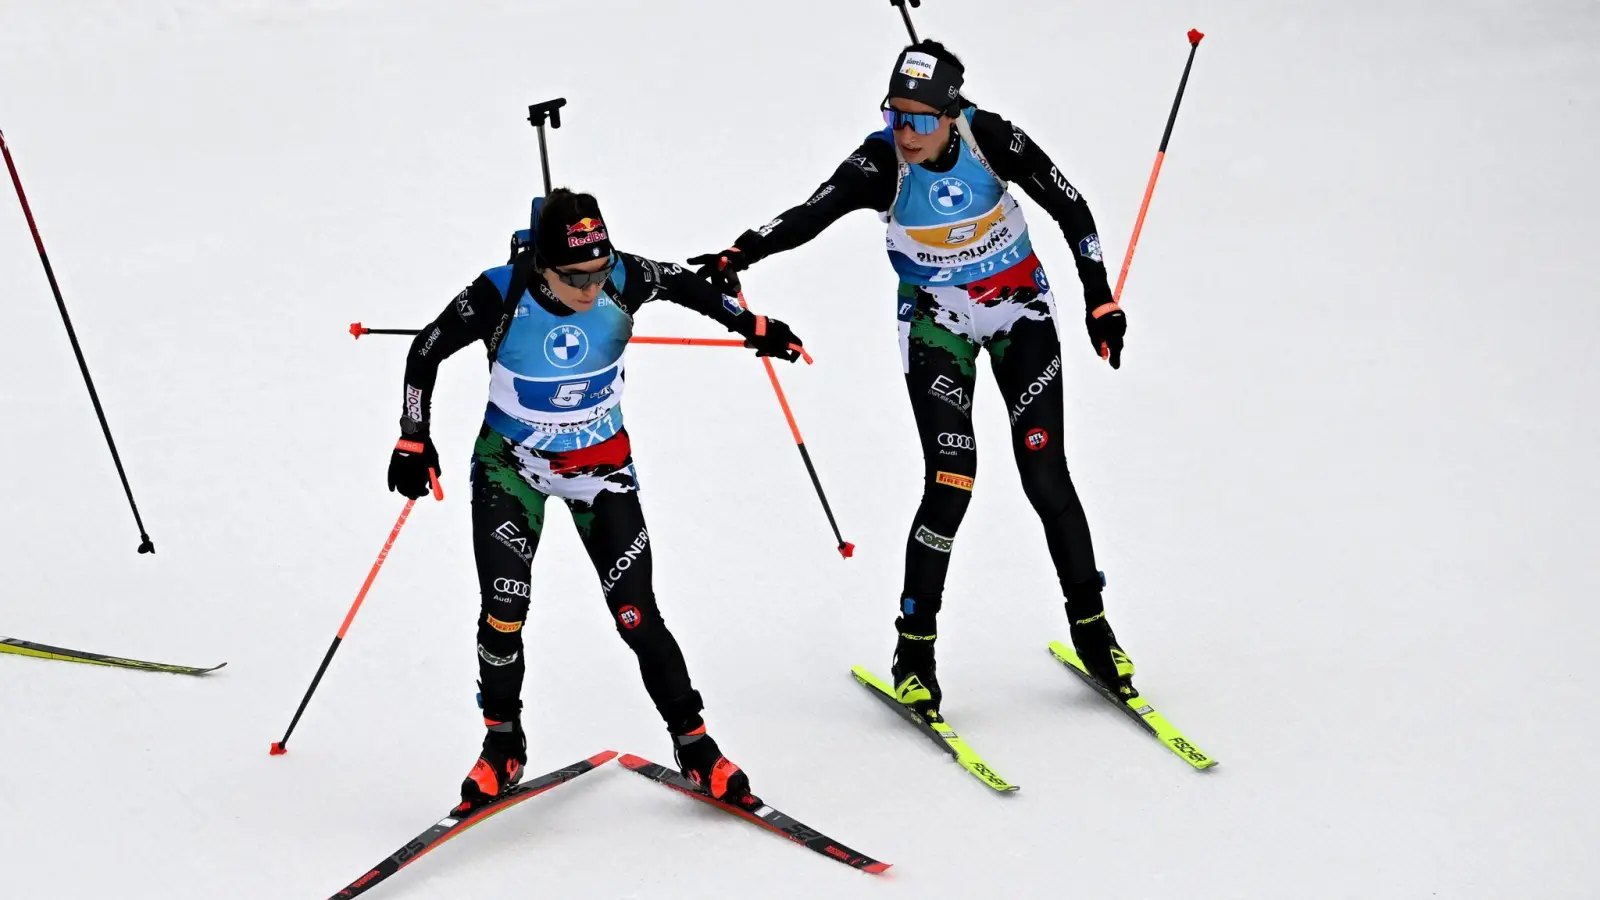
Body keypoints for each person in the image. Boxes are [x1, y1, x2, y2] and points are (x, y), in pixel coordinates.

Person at [689, 41, 1136, 718]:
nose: (906, 133)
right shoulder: (881, 162)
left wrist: (1097, 298)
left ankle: (1093, 629)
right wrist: (740, 251)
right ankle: (915, 650)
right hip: (936, 325)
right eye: (895, 115)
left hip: (1020, 313)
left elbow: (1072, 207)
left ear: (953, 114)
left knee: (1046, 472)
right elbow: (813, 212)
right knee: (951, 481)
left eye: (921, 120)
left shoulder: (992, 140)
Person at [387, 188, 803, 812]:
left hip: (601, 472)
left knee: (638, 614)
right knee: (504, 609)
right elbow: (424, 352)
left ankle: (695, 746)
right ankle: (502, 747)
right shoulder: (499, 292)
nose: (591, 287)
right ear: (542, 265)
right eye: (575, 276)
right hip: (512, 470)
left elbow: (690, 286)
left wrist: (752, 325)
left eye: (599, 270)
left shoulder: (623, 275)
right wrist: (412, 437)